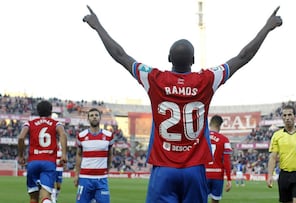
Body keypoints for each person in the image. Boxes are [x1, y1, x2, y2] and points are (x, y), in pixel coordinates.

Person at [83, 5, 282, 202]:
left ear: (168, 58)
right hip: (194, 170)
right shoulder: (207, 80)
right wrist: (267, 27)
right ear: (193, 60)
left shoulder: (154, 79)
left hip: (164, 169)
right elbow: (243, 57)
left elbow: (120, 55)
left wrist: (98, 26)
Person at [17, 100, 68, 203]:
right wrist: (63, 154)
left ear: (37, 111)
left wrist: (21, 156)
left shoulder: (30, 123)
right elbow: (63, 134)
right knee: (46, 197)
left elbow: (21, 137)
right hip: (48, 162)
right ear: (51, 111)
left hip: (33, 162)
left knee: (33, 198)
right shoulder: (56, 123)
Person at [73, 108, 115, 203]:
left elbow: (110, 154)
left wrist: (107, 170)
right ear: (88, 119)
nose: (94, 117)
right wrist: (76, 174)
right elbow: (79, 155)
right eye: (91, 115)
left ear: (100, 118)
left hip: (101, 179)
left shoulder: (108, 136)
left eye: (96, 115)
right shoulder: (81, 136)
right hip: (85, 178)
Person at [205, 115, 232, 203]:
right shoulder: (224, 140)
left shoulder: (202, 138)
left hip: (203, 174)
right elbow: (227, 160)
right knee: (215, 201)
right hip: (217, 175)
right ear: (220, 126)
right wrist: (229, 179)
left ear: (210, 124)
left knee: (201, 199)